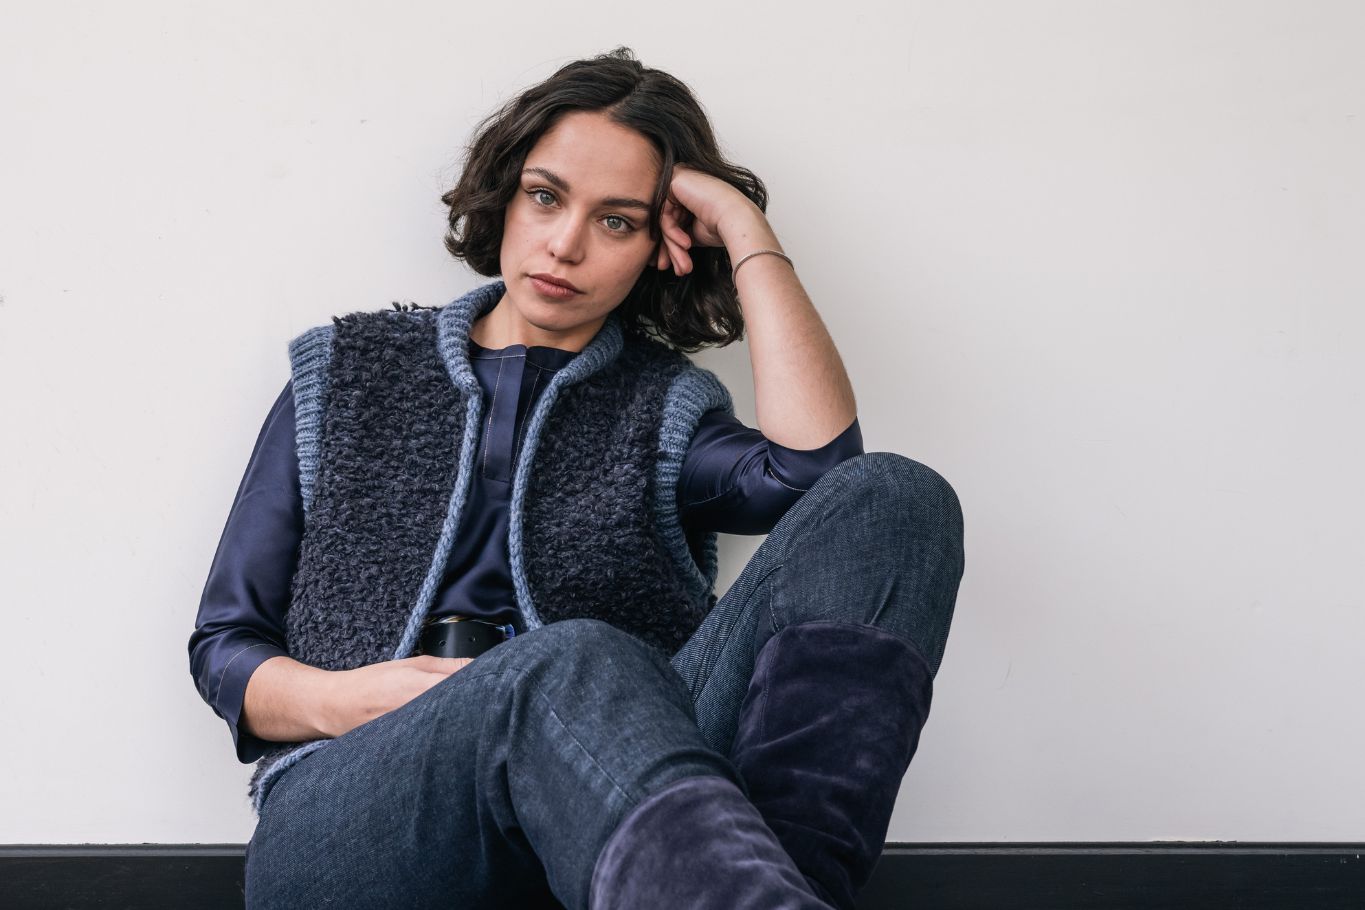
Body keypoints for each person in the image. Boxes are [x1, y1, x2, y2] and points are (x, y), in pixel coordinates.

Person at [188, 46, 964, 910]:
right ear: (506, 192)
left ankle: (777, 891)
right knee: (569, 658)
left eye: (618, 221)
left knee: (894, 497)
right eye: (546, 196)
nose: (565, 244)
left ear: (653, 249)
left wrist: (745, 230)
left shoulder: (664, 408)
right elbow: (225, 646)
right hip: (360, 818)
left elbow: (818, 479)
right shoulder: (345, 373)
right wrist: (345, 702)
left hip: (624, 816)